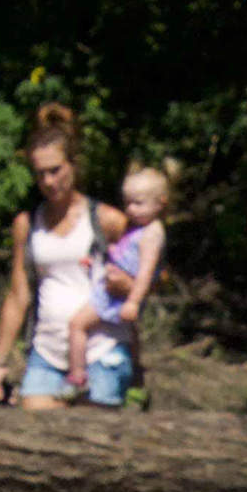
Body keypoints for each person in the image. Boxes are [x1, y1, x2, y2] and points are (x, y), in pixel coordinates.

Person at [0, 103, 133, 492]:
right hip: (45, 351)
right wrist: (1, 361)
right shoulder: (29, 224)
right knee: (28, 453)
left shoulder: (105, 219)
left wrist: (126, 286)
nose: (49, 181)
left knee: (102, 457)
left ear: (73, 167)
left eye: (56, 170)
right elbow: (18, 293)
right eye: (40, 173)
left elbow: (149, 275)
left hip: (101, 351)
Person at [64, 160, 171, 393]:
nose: (131, 209)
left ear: (160, 203)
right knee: (122, 335)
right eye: (127, 203)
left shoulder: (153, 233)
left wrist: (133, 301)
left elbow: (145, 273)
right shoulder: (138, 228)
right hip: (112, 289)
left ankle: (77, 376)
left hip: (117, 296)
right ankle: (131, 376)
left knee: (76, 325)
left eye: (138, 203)